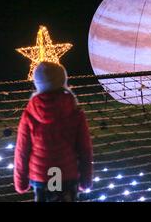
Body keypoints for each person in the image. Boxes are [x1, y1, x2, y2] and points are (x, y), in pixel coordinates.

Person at [14, 62, 93, 202]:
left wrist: (21, 182)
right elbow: (85, 150)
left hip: (42, 177)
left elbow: (22, 150)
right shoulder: (75, 112)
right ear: (63, 80)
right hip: (68, 176)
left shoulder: (29, 114)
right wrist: (86, 180)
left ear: (38, 83)